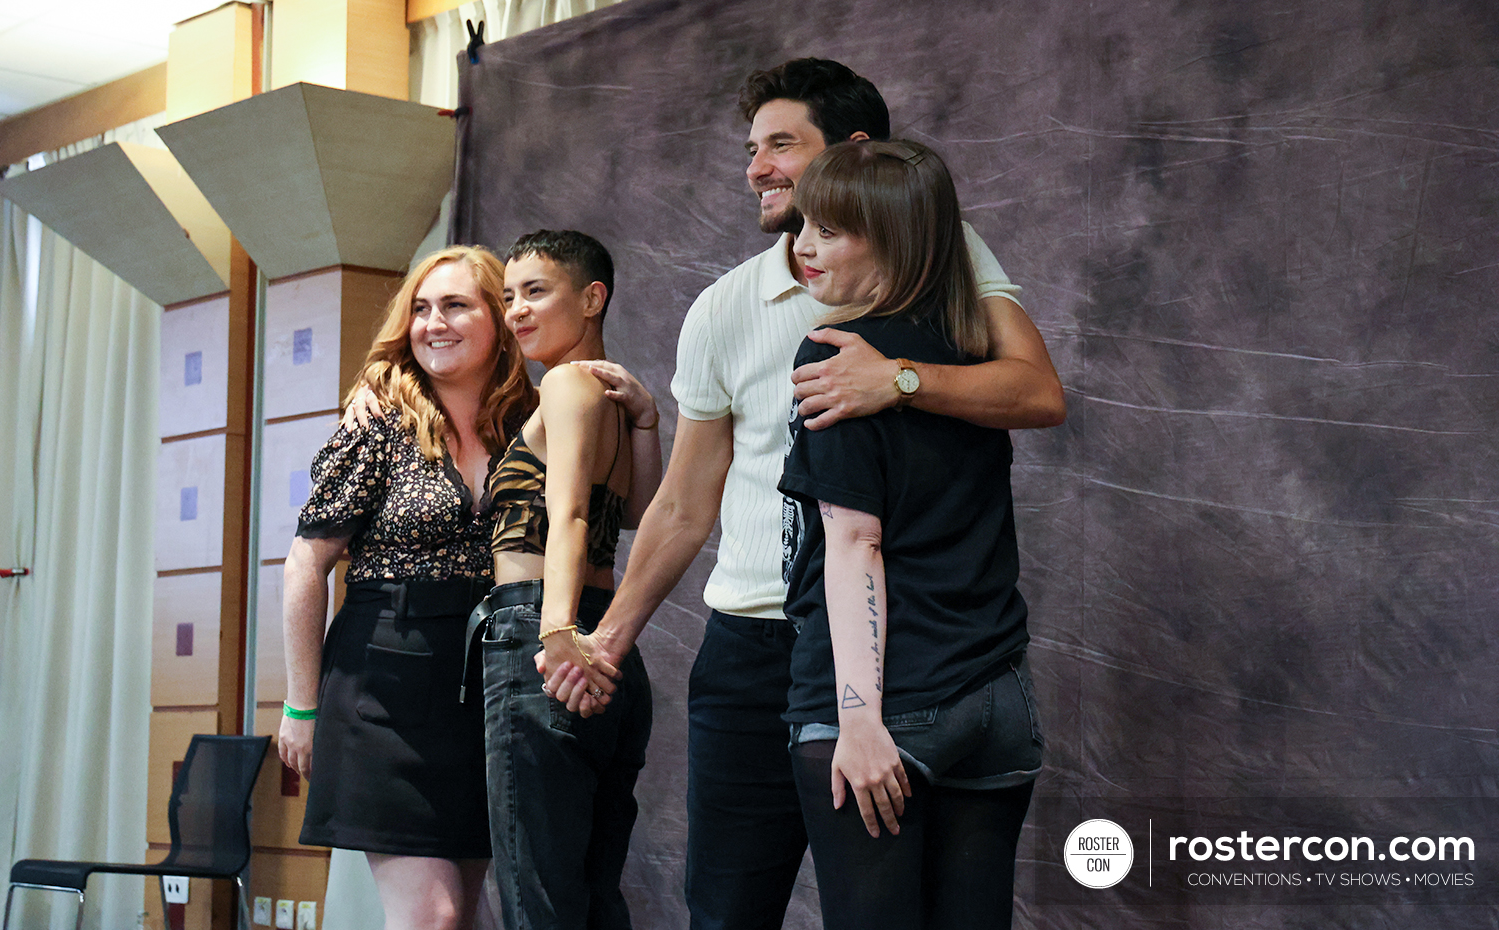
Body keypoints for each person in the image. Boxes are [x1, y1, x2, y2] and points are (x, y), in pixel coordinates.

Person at [541, 58, 1065, 930]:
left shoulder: (944, 255)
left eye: (782, 143)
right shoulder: (722, 307)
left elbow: (1037, 393)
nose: (756, 167)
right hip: (755, 646)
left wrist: (893, 378)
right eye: (752, 147)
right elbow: (682, 501)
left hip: (902, 649)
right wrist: (608, 641)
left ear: (856, 155)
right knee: (729, 908)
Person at [779, 138, 1042, 930]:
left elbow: (856, 543)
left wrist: (858, 717)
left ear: (891, 240)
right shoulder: (973, 356)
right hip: (997, 698)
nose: (803, 247)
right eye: (805, 225)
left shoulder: (836, 353)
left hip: (891, 705)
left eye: (830, 230)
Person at [279, 245, 535, 930]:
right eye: (420, 309)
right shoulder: (377, 424)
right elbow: (306, 565)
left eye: (455, 305)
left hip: (486, 686)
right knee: (434, 915)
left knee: (470, 913)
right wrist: (299, 707)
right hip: (380, 686)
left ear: (499, 318)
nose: (433, 323)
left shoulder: (531, 423)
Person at [462, 230, 660, 929]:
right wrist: (647, 423)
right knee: (592, 892)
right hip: (608, 641)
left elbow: (572, 510)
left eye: (535, 292)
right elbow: (636, 508)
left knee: (537, 895)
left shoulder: (571, 383)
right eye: (509, 295)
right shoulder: (606, 391)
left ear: (592, 297)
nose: (516, 311)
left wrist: (553, 628)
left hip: (544, 635)